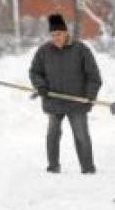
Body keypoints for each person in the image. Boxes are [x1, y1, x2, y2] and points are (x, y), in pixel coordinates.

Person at [28, 13, 102, 174]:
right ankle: (53, 166)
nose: (56, 38)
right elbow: (35, 72)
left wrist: (90, 95)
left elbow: (94, 76)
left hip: (77, 102)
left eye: (59, 34)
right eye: (53, 35)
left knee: (81, 135)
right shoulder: (44, 51)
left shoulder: (81, 50)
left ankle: (88, 168)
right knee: (52, 135)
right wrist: (40, 86)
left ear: (66, 32)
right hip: (54, 101)